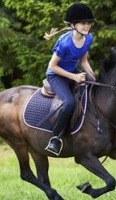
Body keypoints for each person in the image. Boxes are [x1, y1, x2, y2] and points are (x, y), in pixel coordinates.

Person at [44, 2, 96, 156]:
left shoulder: (88, 38)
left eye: (89, 23)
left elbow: (84, 61)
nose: (87, 26)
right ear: (73, 25)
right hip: (56, 76)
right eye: (83, 23)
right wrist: (74, 76)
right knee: (69, 103)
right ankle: (55, 138)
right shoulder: (65, 42)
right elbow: (53, 66)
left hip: (73, 71)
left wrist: (93, 77)